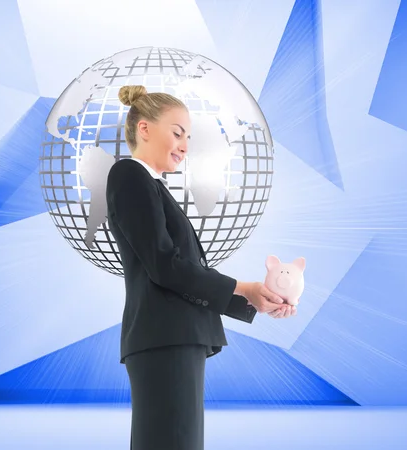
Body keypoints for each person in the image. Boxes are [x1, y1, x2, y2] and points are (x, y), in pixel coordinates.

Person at [105, 85, 297, 450]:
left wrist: (253, 299)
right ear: (143, 129)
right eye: (177, 132)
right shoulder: (130, 176)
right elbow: (166, 266)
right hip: (165, 338)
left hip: (173, 338)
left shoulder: (151, 185)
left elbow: (177, 271)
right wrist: (244, 287)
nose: (184, 145)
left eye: (188, 137)